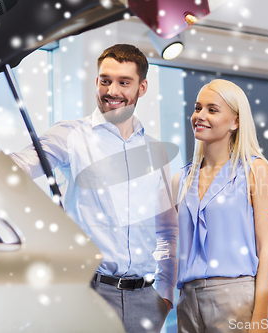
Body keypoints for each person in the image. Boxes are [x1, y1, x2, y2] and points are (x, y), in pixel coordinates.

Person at [11, 44, 177, 333]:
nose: (112, 90)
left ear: (142, 87)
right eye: (105, 80)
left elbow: (167, 231)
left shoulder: (155, 151)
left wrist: (164, 296)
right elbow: (14, 168)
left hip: (145, 302)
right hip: (88, 294)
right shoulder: (70, 136)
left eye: (124, 82)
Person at [172, 79, 268, 333]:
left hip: (236, 297)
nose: (200, 115)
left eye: (212, 109)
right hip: (187, 299)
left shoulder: (255, 170)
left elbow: (267, 250)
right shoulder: (181, 179)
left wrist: (261, 316)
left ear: (236, 121)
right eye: (198, 108)